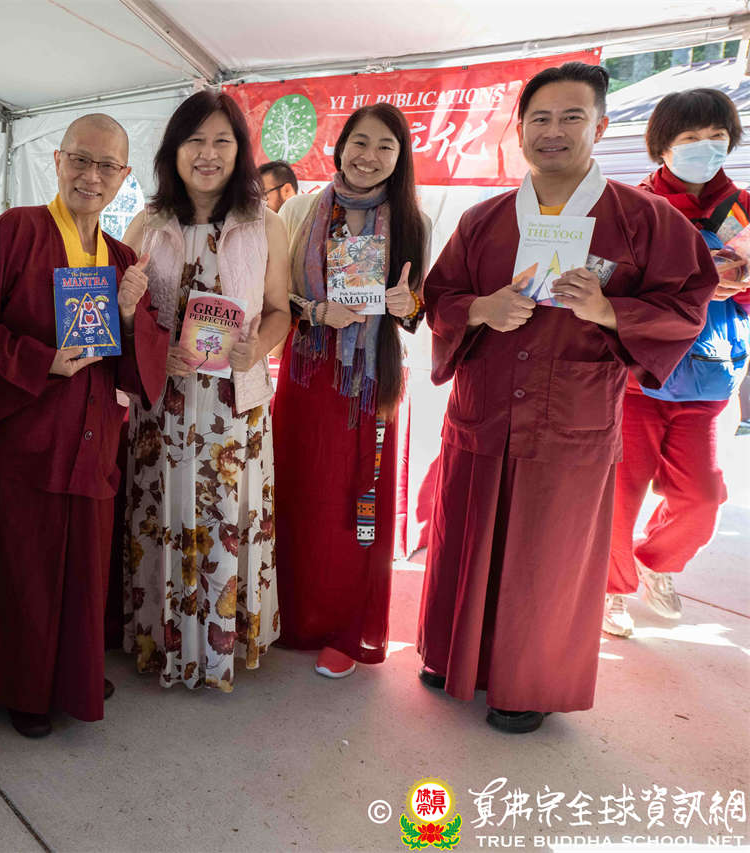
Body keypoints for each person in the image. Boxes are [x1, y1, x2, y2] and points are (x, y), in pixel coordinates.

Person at [416, 62, 717, 733]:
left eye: (571, 117)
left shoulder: (646, 221)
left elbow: (687, 305)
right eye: (540, 118)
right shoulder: (485, 219)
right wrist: (480, 309)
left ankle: (528, 683)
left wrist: (610, 312)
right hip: (485, 408)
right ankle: (449, 654)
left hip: (572, 415)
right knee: (466, 533)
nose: (553, 131)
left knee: (548, 556)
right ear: (520, 130)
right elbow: (439, 297)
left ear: (600, 127)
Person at [0, 114, 168, 739]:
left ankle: (72, 674)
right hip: (25, 438)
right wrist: (42, 360)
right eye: (81, 160)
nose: (91, 176)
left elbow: (139, 360)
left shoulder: (122, 258)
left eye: (107, 166)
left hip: (92, 438)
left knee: (84, 572)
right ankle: (26, 688)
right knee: (26, 571)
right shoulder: (15, 232)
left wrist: (130, 315)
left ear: (124, 176)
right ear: (58, 161)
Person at [121, 90, 291, 692]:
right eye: (195, 140)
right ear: (174, 151)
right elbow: (129, 312)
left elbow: (280, 311)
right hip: (162, 403)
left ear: (240, 151)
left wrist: (258, 346)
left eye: (222, 141)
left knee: (227, 517)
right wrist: (152, 349)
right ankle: (162, 639)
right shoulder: (147, 224)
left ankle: (224, 643)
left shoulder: (265, 223)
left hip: (233, 405)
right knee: (164, 510)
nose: (208, 153)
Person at [271, 104, 428, 678]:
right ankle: (290, 616)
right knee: (298, 492)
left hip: (368, 381)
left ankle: (346, 629)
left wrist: (406, 303)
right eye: (360, 142)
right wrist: (316, 311)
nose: (369, 156)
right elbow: (275, 298)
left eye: (386, 146)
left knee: (356, 504)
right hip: (308, 373)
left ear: (399, 157)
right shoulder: (298, 210)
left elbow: (417, 309)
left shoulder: (412, 221)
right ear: (340, 147)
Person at [603, 88, 750, 636]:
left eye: (716, 136)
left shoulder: (741, 208)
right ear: (662, 145)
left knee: (702, 498)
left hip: (709, 375)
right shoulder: (632, 207)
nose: (704, 148)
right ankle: (611, 588)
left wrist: (737, 287)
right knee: (619, 494)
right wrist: (688, 288)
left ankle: (656, 561)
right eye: (690, 137)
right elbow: (604, 283)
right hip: (637, 377)